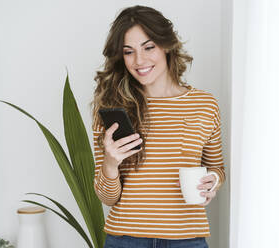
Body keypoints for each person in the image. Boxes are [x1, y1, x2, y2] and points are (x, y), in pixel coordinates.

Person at [91, 5, 225, 248]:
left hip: (187, 240)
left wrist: (213, 180)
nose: (139, 60)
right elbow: (107, 198)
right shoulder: (111, 109)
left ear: (166, 45)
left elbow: (217, 167)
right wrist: (110, 163)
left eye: (148, 47)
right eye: (128, 52)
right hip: (125, 240)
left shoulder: (205, 104)